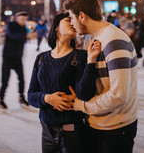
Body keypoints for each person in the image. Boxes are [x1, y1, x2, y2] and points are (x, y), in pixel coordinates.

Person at [64, 0, 138, 153]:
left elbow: (119, 95)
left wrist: (81, 106)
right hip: (96, 124)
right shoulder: (91, 39)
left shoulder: (114, 40)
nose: (71, 23)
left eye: (71, 17)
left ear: (82, 16)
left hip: (115, 129)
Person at [28, 12, 101, 153]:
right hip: (46, 130)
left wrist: (91, 61)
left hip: (72, 131)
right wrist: (47, 98)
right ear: (56, 27)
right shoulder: (41, 59)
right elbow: (31, 95)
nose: (73, 24)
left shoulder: (80, 56)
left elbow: (85, 94)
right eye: (69, 20)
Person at [0, 11, 31, 109]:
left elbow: (23, 39)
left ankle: (21, 97)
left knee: (21, 79)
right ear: (17, 18)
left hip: (17, 58)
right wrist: (25, 36)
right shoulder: (10, 26)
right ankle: (1, 99)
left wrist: (25, 35)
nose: (23, 21)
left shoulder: (24, 28)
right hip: (7, 57)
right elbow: (13, 36)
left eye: (25, 19)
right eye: (22, 19)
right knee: (5, 81)